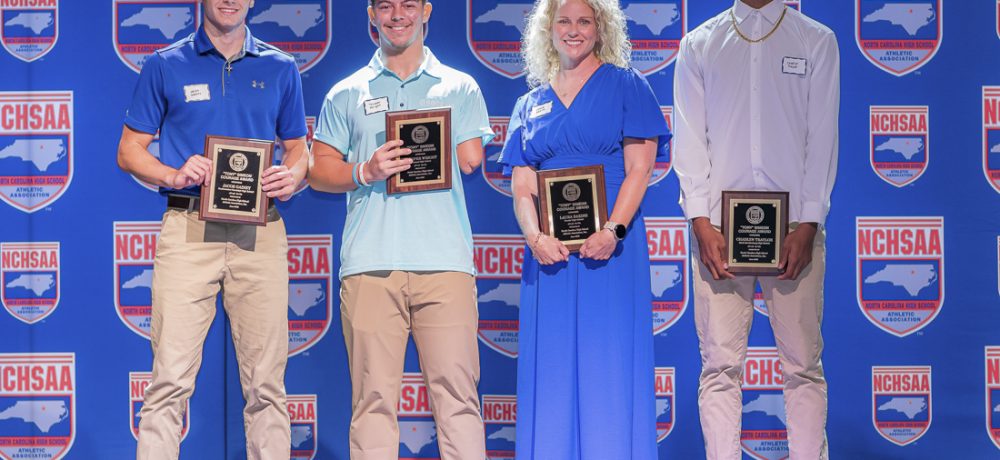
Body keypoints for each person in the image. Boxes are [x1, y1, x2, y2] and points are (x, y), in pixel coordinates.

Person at [116, 0, 308, 458]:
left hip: (259, 233)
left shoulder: (281, 67)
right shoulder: (165, 63)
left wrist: (292, 175)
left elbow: (300, 149)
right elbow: (129, 151)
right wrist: (172, 174)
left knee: (267, 385)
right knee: (169, 380)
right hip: (188, 228)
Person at [306, 0, 493, 458]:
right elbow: (318, 170)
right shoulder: (346, 92)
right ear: (371, 13)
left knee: (459, 402)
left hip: (444, 262)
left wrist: (449, 138)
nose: (397, 15)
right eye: (386, 5)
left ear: (426, 10)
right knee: (372, 404)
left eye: (408, 4)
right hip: (370, 264)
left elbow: (472, 159)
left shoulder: (460, 86)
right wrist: (365, 170)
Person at [497, 0, 670, 457]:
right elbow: (521, 187)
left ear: (601, 27)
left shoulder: (627, 85)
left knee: (608, 364)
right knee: (551, 369)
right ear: (547, 30)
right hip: (548, 258)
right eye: (564, 21)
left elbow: (640, 170)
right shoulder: (528, 104)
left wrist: (613, 231)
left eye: (584, 21)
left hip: (610, 252)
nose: (573, 30)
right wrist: (534, 238)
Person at [673, 0, 839, 458]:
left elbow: (823, 137)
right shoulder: (698, 44)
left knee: (803, 367)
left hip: (795, 229)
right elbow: (689, 139)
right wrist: (700, 220)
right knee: (719, 367)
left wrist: (809, 221)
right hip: (717, 231)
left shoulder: (816, 40)